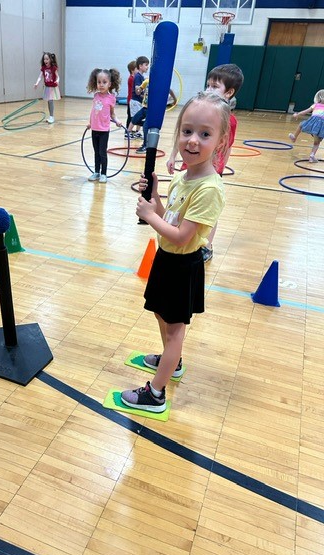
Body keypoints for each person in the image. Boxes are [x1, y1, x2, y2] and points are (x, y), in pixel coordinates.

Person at [120, 92, 231, 413]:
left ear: (220, 142)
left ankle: (155, 393)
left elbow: (183, 237)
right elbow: (170, 216)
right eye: (187, 131)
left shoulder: (209, 189)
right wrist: (154, 197)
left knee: (174, 330)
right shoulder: (185, 176)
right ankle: (174, 360)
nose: (193, 141)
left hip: (182, 265)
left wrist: (149, 216)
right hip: (167, 260)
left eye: (205, 134)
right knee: (162, 316)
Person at [167, 63, 244, 262]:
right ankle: (176, 229)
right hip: (189, 168)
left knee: (206, 212)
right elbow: (182, 134)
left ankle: (205, 245)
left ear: (229, 92)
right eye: (208, 85)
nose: (209, 89)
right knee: (182, 204)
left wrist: (219, 171)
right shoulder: (197, 109)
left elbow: (226, 147)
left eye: (215, 86)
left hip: (208, 170)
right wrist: (173, 155)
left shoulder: (228, 120)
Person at [86, 68, 122, 183]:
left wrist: (117, 121)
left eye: (104, 82)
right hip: (94, 129)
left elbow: (112, 114)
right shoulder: (96, 96)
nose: (101, 85)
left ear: (110, 84)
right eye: (99, 82)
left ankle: (103, 173)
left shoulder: (111, 98)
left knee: (102, 152)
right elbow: (93, 111)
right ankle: (96, 172)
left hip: (104, 130)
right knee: (96, 152)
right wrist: (90, 122)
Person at [134, 85, 177, 154]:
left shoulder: (158, 82)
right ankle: (145, 140)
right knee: (135, 120)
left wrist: (175, 99)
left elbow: (169, 89)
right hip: (144, 107)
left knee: (145, 126)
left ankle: (146, 145)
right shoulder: (147, 82)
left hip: (152, 109)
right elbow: (139, 92)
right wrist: (138, 90)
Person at [289, 89, 324, 163]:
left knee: (301, 125)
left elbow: (305, 112)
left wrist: (297, 114)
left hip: (312, 122)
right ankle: (312, 156)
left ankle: (294, 137)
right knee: (317, 142)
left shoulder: (315, 105)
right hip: (321, 126)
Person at [34, 52, 60, 124]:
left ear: (50, 60)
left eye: (47, 59)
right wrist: (37, 83)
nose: (45, 61)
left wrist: (57, 81)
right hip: (47, 86)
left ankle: (52, 117)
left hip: (52, 87)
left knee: (51, 101)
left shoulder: (53, 68)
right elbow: (40, 76)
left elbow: (58, 77)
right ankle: (51, 116)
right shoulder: (44, 68)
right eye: (44, 59)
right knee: (49, 101)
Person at [128, 56, 150, 139]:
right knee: (136, 118)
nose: (147, 67)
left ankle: (137, 132)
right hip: (135, 101)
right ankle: (128, 132)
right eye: (146, 65)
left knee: (139, 117)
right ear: (140, 66)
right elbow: (137, 89)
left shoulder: (141, 76)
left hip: (139, 101)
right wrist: (141, 89)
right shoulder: (138, 76)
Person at [125, 60, 137, 133]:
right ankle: (127, 131)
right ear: (132, 70)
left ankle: (130, 130)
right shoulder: (131, 78)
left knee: (133, 116)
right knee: (130, 116)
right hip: (130, 100)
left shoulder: (134, 78)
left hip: (132, 100)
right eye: (136, 69)